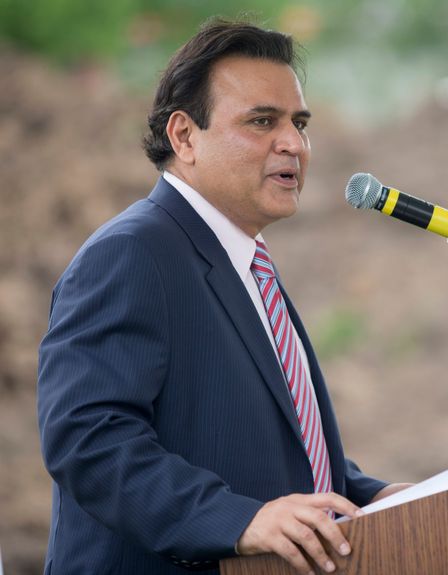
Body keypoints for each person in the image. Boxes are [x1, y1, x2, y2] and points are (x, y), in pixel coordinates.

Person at [37, 18, 409, 575]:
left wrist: (367, 497)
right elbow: (88, 441)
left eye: (299, 123)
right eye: (262, 121)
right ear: (184, 136)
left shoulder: (245, 262)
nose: (293, 144)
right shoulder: (134, 253)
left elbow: (262, 443)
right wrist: (237, 521)